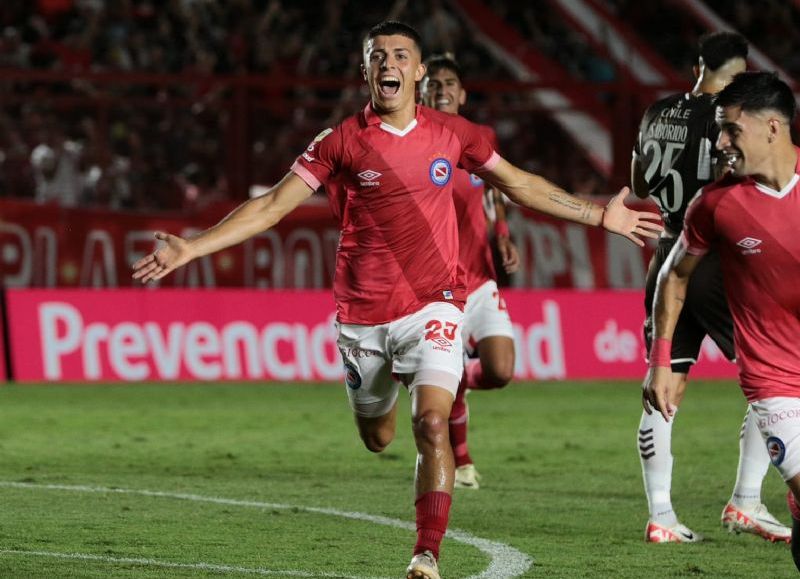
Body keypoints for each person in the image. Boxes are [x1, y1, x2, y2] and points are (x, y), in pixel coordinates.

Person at [133, 21, 661, 579]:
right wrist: (192, 249)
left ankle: (425, 554)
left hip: (434, 304)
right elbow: (270, 207)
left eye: (400, 55)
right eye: (377, 55)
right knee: (377, 437)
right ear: (366, 71)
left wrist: (599, 214)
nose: (389, 63)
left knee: (431, 425)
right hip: (362, 318)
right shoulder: (338, 141)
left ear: (416, 71)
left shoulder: (455, 133)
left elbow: (519, 184)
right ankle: (395, 410)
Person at [632, 32, 789, 544]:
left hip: (667, 253)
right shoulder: (727, 123)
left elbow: (638, 186)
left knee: (663, 388)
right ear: (738, 72)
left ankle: (660, 515)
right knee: (774, 376)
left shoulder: (656, 113)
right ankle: (746, 499)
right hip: (720, 260)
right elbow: (733, 184)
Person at [420, 54, 518, 490]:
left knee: (499, 369)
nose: (441, 88)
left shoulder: (480, 137)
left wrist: (501, 234)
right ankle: (462, 461)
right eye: (433, 82)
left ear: (462, 93)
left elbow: (494, 188)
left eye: (449, 82)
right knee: (445, 386)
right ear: (421, 91)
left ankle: (464, 377)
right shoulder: (415, 140)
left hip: (479, 278)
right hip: (436, 287)